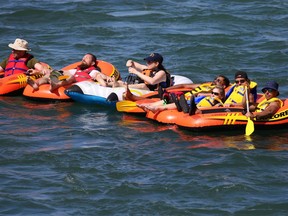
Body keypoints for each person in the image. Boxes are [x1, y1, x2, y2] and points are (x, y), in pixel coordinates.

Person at [27, 53, 113, 91]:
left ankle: (56, 85)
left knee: (71, 77)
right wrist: (38, 72)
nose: (83, 59)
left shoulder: (92, 71)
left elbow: (99, 75)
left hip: (78, 85)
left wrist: (108, 77)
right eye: (83, 57)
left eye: (86, 58)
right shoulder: (76, 70)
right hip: (67, 79)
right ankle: (36, 84)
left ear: (93, 63)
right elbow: (62, 72)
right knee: (51, 74)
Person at [139, 85, 226, 115]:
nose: (213, 95)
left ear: (221, 96)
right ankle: (151, 106)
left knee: (179, 104)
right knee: (168, 101)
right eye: (213, 93)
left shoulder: (218, 103)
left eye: (216, 94)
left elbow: (218, 109)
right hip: (190, 104)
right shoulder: (207, 97)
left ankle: (157, 108)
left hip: (194, 109)